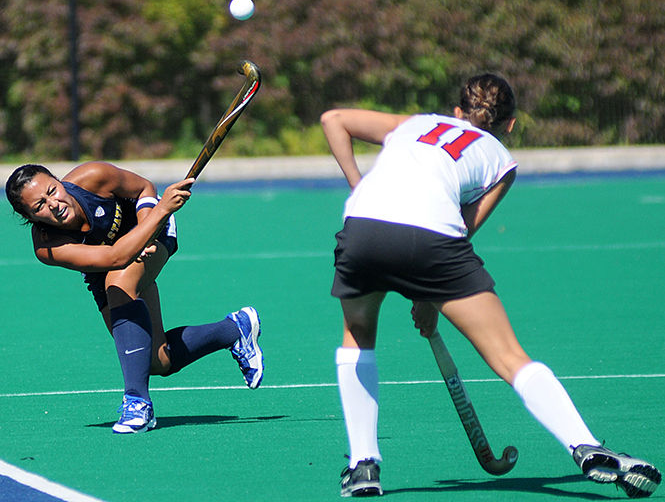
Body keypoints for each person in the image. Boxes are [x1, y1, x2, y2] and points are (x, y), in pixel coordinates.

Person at [320, 74, 661, 498]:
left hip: (363, 229)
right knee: (509, 356)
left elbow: (333, 118)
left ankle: (363, 466)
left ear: (457, 112)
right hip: (434, 242)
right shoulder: (501, 159)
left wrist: (358, 184)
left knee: (358, 336)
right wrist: (429, 294)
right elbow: (461, 229)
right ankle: (583, 443)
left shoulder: (413, 123)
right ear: (511, 124)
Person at [5, 162, 264, 433]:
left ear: (59, 181)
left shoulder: (93, 177)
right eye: (39, 206)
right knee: (156, 361)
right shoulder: (47, 246)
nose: (54, 204)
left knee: (118, 284)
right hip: (110, 263)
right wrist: (154, 220)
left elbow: (143, 188)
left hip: (152, 225)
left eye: (52, 190)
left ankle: (137, 403)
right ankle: (234, 329)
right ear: (31, 218)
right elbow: (115, 258)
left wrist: (150, 222)